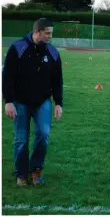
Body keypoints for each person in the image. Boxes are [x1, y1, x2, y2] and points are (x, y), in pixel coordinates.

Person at [2, 18, 63, 186]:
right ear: (37, 32)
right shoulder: (18, 48)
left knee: (43, 135)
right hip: (20, 102)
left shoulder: (53, 52)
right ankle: (21, 173)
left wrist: (58, 103)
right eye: (47, 33)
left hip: (42, 102)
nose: (50, 36)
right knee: (21, 139)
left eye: (51, 33)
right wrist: (8, 101)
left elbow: (57, 80)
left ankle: (36, 170)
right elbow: (7, 76)